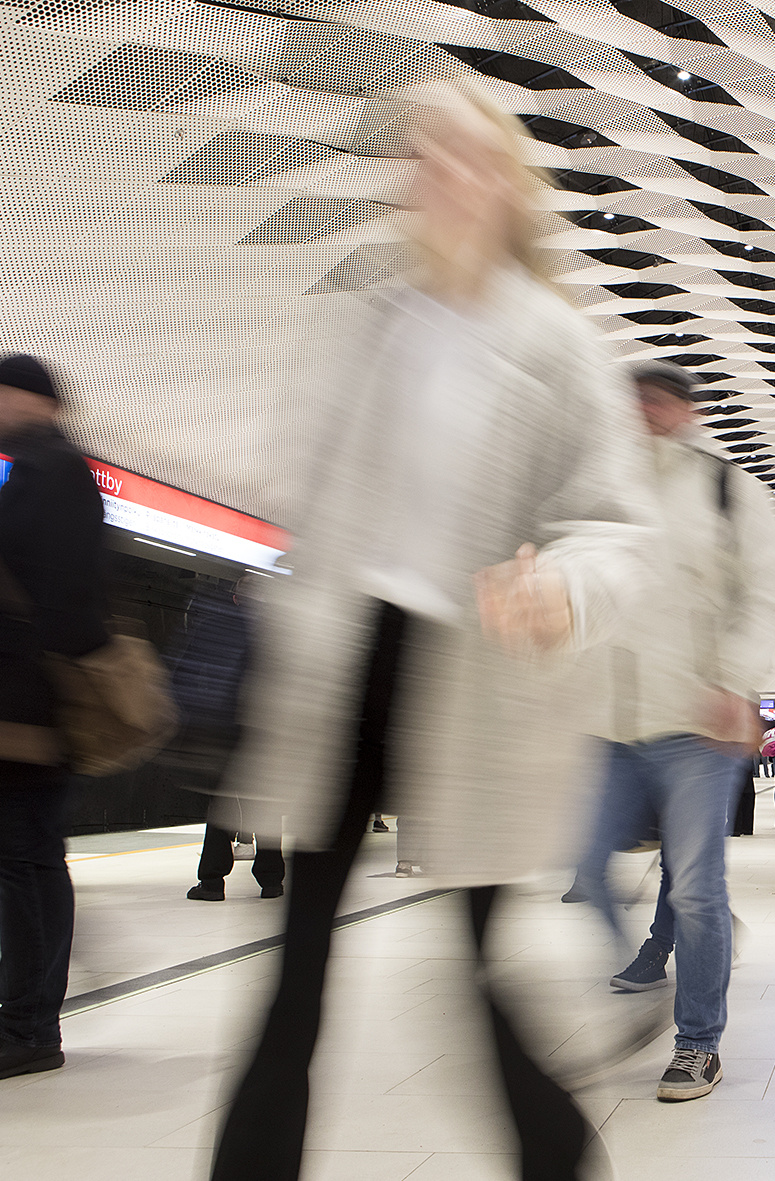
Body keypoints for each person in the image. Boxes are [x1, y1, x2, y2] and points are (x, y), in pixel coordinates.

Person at [207, 79, 655, 1181]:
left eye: (464, 158)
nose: (439, 179)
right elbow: (318, 507)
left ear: (507, 182)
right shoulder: (376, 323)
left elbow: (614, 525)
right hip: (350, 661)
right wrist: (294, 605)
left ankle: (558, 1156)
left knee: (470, 963)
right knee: (298, 958)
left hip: (475, 678)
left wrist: (560, 585)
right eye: (421, 159)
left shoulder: (553, 340)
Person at [565, 360, 775, 1101]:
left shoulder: (727, 488)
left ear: (685, 409)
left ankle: (698, 1041)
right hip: (607, 723)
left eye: (659, 401)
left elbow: (772, 591)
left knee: (695, 887)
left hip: (697, 722)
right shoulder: (598, 485)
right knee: (582, 863)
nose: (645, 413)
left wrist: (733, 681)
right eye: (634, 400)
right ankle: (656, 970)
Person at [0, 354, 106, 1080]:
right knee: (28, 859)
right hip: (28, 706)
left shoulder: (52, 469)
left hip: (27, 710)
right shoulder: (45, 468)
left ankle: (30, 1023)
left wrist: (33, 694)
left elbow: (65, 605)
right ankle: (26, 1014)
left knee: (26, 861)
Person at [167, 581, 285, 902]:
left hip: (222, 729)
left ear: (234, 599)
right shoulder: (280, 632)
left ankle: (212, 881)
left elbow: (184, 673)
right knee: (266, 806)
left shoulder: (217, 626)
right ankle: (271, 880)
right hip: (264, 732)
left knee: (220, 808)